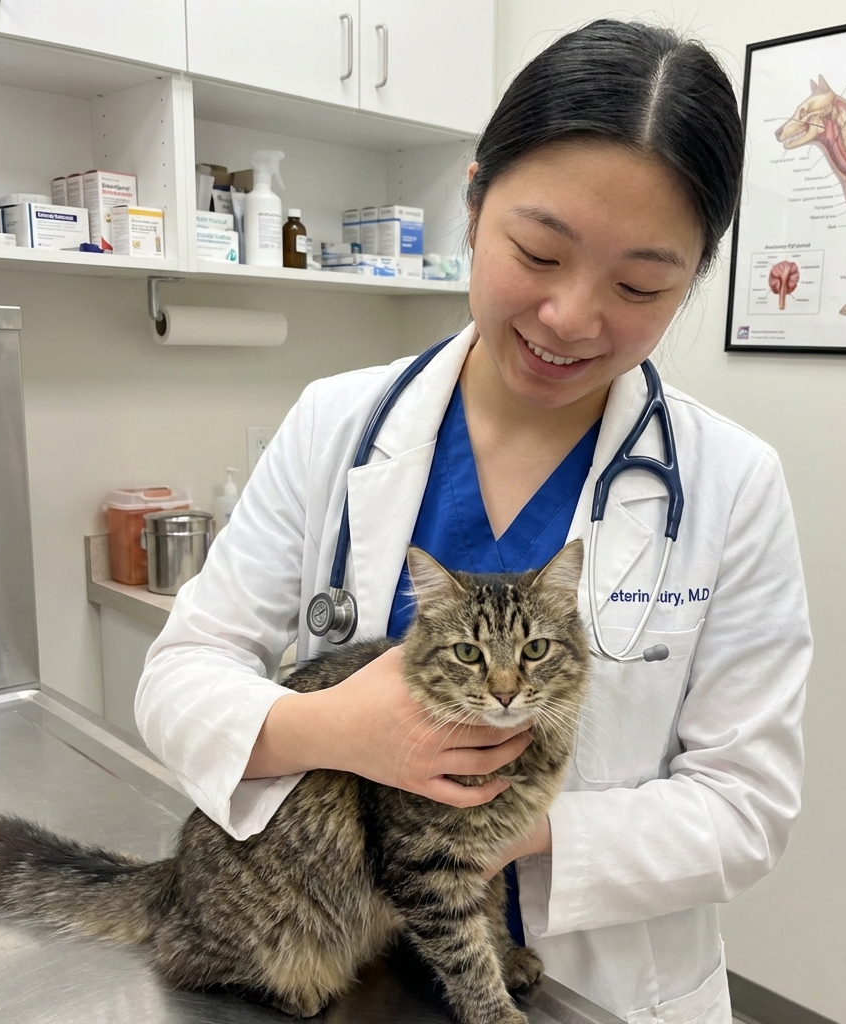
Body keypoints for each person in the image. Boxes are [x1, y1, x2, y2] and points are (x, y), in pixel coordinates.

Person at [136, 19, 812, 1024]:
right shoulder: (338, 422)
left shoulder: (731, 482)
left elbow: (745, 809)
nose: (571, 317)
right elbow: (178, 678)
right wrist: (334, 730)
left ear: (694, 278)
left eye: (638, 284)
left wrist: (512, 825)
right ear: (471, 200)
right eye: (537, 251)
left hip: (606, 989)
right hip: (361, 970)